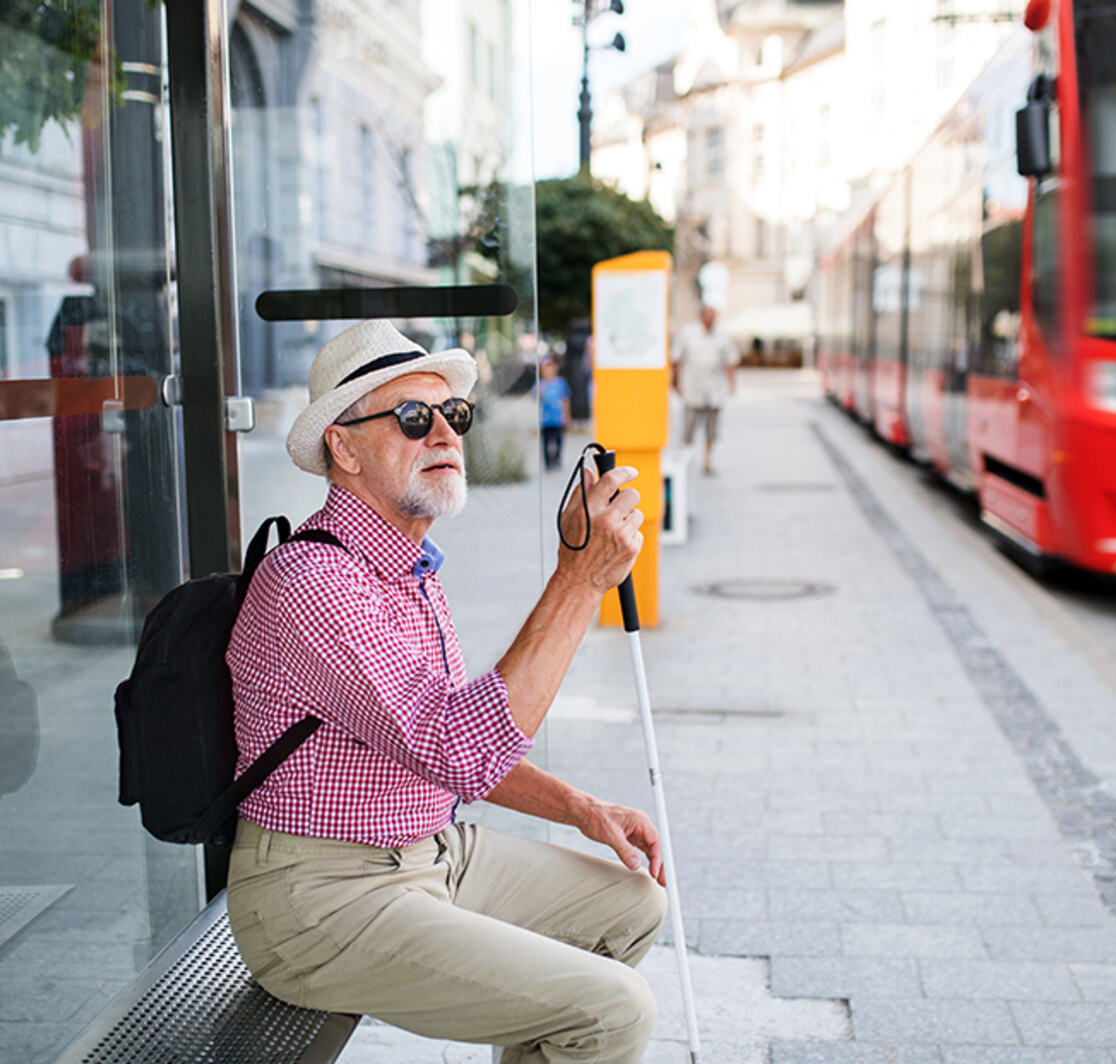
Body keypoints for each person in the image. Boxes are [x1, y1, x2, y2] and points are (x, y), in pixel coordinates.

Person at [225, 320, 666, 1063]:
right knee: (613, 1010)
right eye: (411, 418)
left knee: (633, 906)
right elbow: (462, 748)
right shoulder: (313, 585)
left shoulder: (408, 569)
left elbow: (453, 735)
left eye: (453, 415)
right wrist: (578, 579)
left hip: (429, 855)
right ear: (343, 445)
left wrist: (581, 810)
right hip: (319, 896)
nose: (445, 434)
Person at [670, 302, 739, 475]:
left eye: (714, 315)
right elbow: (676, 359)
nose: (711, 319)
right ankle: (686, 461)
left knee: (712, 430)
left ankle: (708, 461)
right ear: (702, 316)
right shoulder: (688, 333)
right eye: (709, 315)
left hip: (714, 390)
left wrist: (732, 384)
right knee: (689, 428)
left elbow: (731, 361)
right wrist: (676, 382)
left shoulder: (723, 336)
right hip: (692, 388)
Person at [536, 355, 570, 470]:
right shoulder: (541, 384)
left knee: (558, 440)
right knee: (546, 442)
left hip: (557, 418)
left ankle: (557, 459)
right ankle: (547, 462)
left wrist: (566, 415)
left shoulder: (560, 383)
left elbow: (565, 400)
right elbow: (535, 397)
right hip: (545, 419)